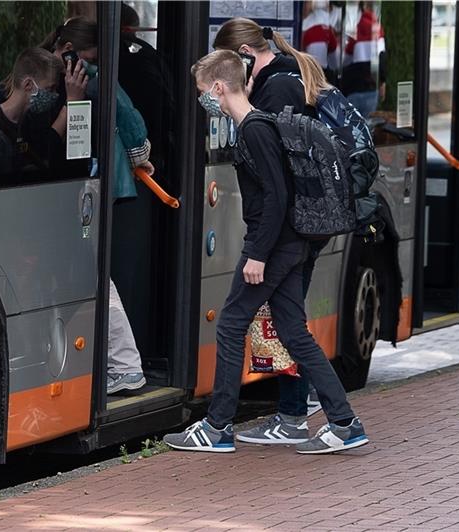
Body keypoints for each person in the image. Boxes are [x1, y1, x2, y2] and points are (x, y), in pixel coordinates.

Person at [163, 50, 368, 454]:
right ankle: (344, 422)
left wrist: (256, 254)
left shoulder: (254, 130)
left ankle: (217, 426)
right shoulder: (260, 125)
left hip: (273, 246)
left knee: (230, 323)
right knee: (293, 332)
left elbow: (276, 197)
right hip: (288, 244)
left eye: (204, 92)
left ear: (219, 88)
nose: (204, 99)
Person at [212, 17, 332, 444]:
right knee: (289, 322)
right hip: (293, 230)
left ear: (242, 58)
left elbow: (278, 185)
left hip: (285, 233)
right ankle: (334, 418)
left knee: (263, 323)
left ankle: (292, 413)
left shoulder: (273, 91)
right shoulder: (287, 75)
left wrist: (260, 250)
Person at [43, 17, 153, 394]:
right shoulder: (68, 77)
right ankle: (115, 362)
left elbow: (128, 122)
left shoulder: (91, 77)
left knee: (94, 277)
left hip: (90, 188)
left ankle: (124, 364)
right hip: (82, 186)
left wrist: (138, 157)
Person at [0, 47, 87, 188]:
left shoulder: (29, 123)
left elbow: (48, 149)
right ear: (28, 85)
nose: (55, 95)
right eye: (50, 89)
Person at [341, 1, 386, 117]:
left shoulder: (356, 29)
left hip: (354, 89)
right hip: (371, 89)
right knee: (367, 127)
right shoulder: (378, 29)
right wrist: (382, 82)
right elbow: (382, 57)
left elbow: (345, 61)